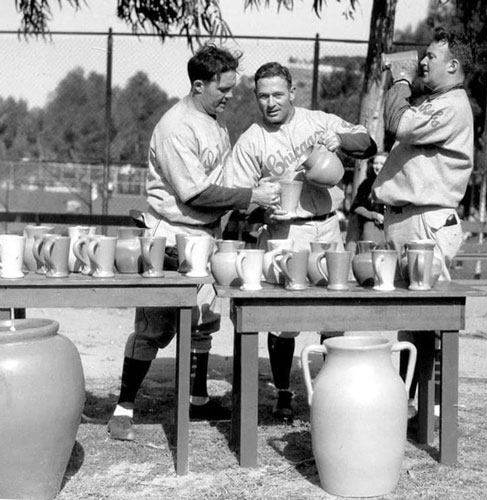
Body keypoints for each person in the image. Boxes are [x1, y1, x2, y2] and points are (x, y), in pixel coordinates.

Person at [107, 44, 280, 441]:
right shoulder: (176, 125)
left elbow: (220, 183)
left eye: (233, 88)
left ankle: (198, 400)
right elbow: (195, 195)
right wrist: (251, 197)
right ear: (199, 85)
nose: (231, 96)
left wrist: (253, 195)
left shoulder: (213, 118)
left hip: (204, 235)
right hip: (169, 233)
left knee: (203, 319)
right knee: (153, 326)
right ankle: (124, 407)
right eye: (224, 90)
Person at [230, 62, 377, 422]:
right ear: (256, 98)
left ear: (292, 92)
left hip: (326, 226)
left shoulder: (317, 121)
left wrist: (339, 140)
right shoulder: (252, 139)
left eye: (278, 94)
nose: (271, 103)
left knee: (333, 313)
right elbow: (237, 199)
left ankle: (330, 391)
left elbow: (369, 144)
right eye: (263, 96)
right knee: (283, 319)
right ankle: (283, 393)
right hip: (284, 232)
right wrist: (262, 213)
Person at [372, 27, 474, 416]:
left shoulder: (451, 104)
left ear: (453, 65)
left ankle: (434, 410)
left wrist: (400, 78)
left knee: (431, 319)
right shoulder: (437, 101)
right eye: (424, 55)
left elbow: (400, 123)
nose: (424, 61)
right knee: (410, 319)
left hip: (427, 222)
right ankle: (408, 404)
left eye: (432, 56)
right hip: (407, 219)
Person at [349, 152, 387, 245]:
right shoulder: (366, 184)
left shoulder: (394, 183)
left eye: (382, 164)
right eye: (375, 163)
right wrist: (374, 215)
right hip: (371, 227)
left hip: (391, 228)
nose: (377, 167)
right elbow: (356, 207)